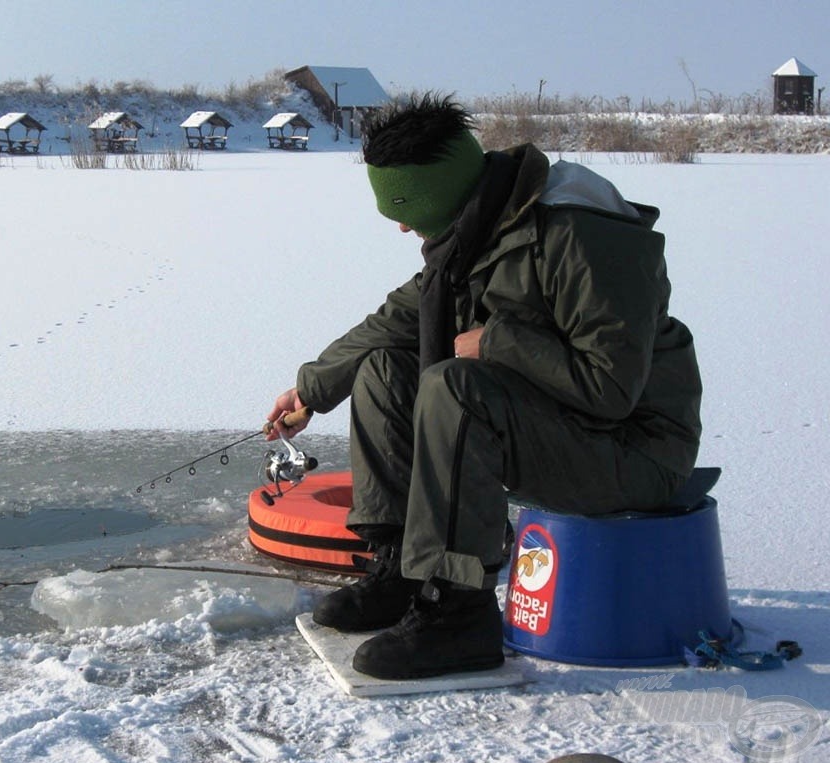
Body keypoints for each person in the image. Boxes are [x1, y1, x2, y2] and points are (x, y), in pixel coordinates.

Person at [265, 93, 702, 680]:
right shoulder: (483, 220)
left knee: (456, 387)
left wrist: (496, 342)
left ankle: (458, 612)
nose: (399, 224)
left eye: (405, 207)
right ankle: (402, 570)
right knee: (384, 369)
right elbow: (399, 317)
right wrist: (310, 390)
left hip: (633, 451)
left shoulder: (581, 233)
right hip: (563, 426)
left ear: (442, 190)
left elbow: (611, 388)